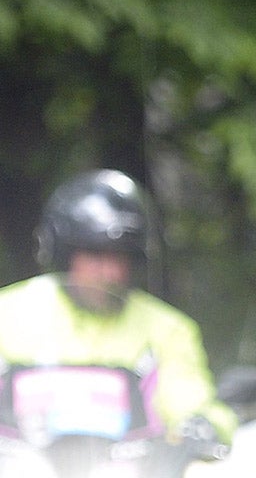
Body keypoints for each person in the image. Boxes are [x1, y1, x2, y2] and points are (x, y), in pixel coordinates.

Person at [0, 170, 235, 444]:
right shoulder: (8, 316)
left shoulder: (167, 329)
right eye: (96, 255)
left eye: (120, 257)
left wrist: (202, 425)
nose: (110, 273)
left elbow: (187, 397)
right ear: (64, 255)